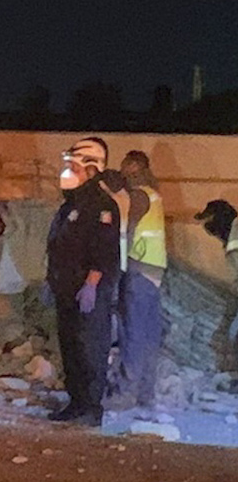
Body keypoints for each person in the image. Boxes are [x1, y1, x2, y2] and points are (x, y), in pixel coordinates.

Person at [46, 137, 120, 426]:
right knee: (71, 348)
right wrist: (50, 280)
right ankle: (75, 403)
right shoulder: (71, 204)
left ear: (92, 169)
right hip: (66, 288)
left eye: (74, 166)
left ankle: (90, 408)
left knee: (89, 348)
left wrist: (91, 284)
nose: (68, 172)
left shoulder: (102, 205)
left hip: (88, 291)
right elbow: (59, 245)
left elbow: (103, 249)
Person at [110, 151, 166, 408]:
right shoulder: (154, 195)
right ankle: (145, 393)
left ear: (133, 168)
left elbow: (126, 233)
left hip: (138, 270)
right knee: (148, 335)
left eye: (125, 169)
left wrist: (116, 269)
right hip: (154, 271)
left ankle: (126, 394)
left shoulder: (138, 196)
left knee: (131, 333)